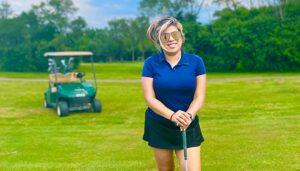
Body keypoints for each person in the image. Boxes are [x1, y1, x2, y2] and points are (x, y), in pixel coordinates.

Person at [141, 17, 207, 171]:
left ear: (181, 36)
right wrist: (172, 115)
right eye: (165, 36)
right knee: (165, 169)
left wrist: (188, 116)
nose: (171, 39)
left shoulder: (196, 62)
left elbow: (199, 96)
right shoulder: (150, 63)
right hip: (159, 123)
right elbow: (149, 98)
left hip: (187, 123)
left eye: (174, 35)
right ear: (159, 41)